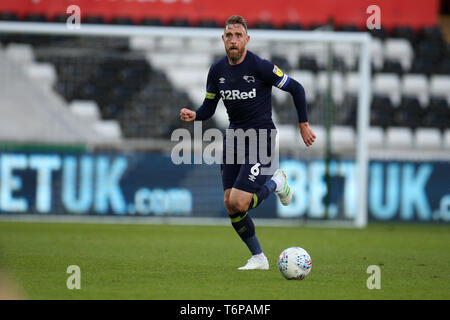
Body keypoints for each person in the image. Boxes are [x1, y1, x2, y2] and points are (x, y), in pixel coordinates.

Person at [180, 15, 316, 270]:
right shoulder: (217, 70)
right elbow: (210, 105)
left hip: (261, 137)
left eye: (238, 36)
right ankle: (259, 258)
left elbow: (296, 88)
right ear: (223, 39)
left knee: (240, 202)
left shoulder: (260, 67)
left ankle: (276, 182)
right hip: (234, 138)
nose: (233, 40)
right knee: (229, 203)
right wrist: (196, 114)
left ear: (246, 39)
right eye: (229, 36)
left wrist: (303, 124)